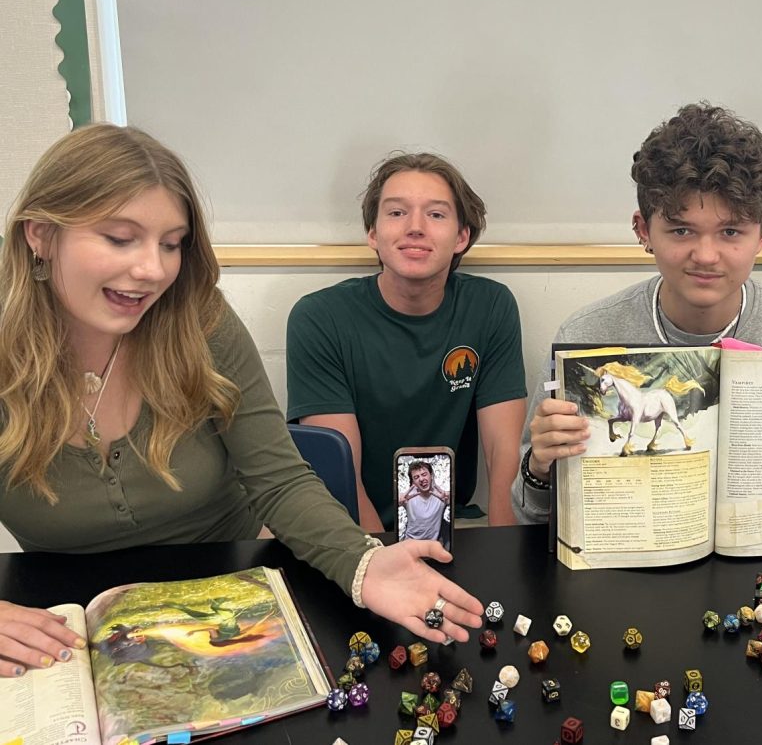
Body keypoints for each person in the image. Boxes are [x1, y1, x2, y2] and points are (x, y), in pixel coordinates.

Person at [0, 125, 482, 679]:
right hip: (60, 621)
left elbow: (278, 480)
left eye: (171, 243)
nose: (152, 269)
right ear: (41, 234)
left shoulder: (200, 321)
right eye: (120, 238)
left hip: (230, 584)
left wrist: (363, 563)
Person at [511, 102, 762, 523]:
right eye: (681, 230)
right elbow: (528, 511)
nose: (706, 255)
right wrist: (539, 469)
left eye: (731, 231)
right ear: (643, 230)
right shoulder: (587, 334)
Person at [287, 153, 526, 531]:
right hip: (347, 529)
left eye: (436, 214)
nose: (415, 227)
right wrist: (382, 557)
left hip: (446, 525)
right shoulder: (320, 317)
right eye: (397, 213)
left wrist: (507, 551)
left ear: (461, 237)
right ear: (373, 233)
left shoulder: (491, 306)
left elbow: (504, 455)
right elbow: (340, 476)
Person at [400, 460, 450, 544]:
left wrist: (449, 497)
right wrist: (398, 500)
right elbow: (398, 499)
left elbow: (454, 499)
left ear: (431, 475)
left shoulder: (441, 496)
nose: (421, 479)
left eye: (424, 474)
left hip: (431, 545)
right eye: (416, 477)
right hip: (410, 544)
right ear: (413, 482)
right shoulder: (408, 497)